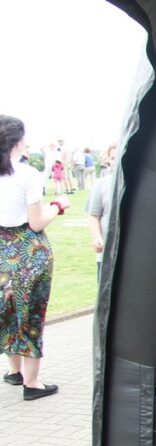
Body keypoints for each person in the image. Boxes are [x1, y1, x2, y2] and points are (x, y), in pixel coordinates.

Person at [0, 114, 63, 400]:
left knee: (8, 311)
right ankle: (32, 382)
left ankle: (14, 371)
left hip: (2, 249)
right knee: (31, 313)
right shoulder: (27, 174)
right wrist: (58, 206)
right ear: (18, 140)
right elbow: (36, 222)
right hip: (28, 251)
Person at [86, 145, 116, 279]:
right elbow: (93, 215)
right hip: (106, 255)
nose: (116, 160)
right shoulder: (101, 185)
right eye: (113, 157)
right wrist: (97, 237)